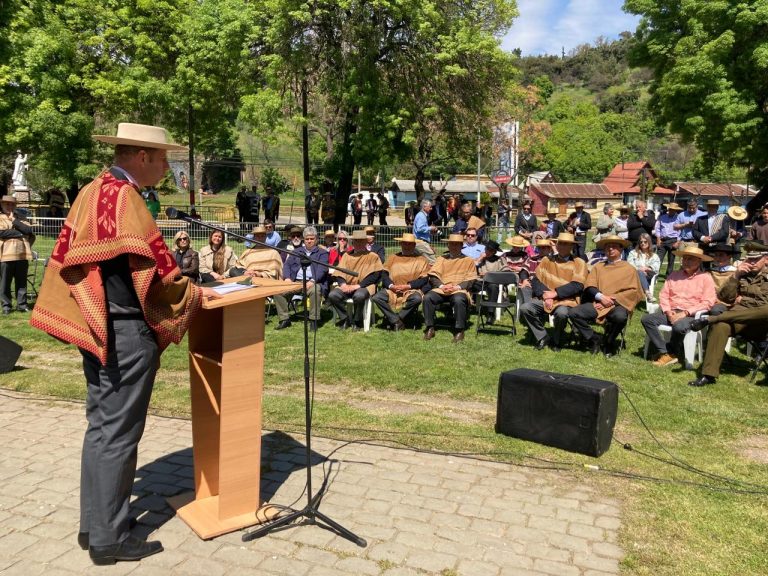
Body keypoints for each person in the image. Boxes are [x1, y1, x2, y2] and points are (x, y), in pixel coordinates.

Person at [29, 123, 219, 565]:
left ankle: (93, 526)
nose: (166, 167)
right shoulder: (126, 198)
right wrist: (194, 294)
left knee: (100, 428)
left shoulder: (91, 190)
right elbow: (153, 273)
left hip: (96, 324)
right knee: (119, 434)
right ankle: (110, 540)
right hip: (126, 329)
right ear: (141, 156)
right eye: (163, 158)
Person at [687, 242, 768, 386]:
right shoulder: (743, 274)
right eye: (750, 259)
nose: (752, 262)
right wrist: (736, 275)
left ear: (766, 259)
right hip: (739, 318)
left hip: (760, 324)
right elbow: (725, 298)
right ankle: (708, 375)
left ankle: (710, 319)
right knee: (721, 326)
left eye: (756, 259)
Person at [640, 246, 717, 367]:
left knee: (679, 326)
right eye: (684, 258)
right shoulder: (674, 275)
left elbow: (708, 302)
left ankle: (670, 353)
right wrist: (667, 311)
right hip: (671, 311)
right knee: (647, 319)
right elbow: (664, 295)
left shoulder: (705, 278)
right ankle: (666, 352)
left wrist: (685, 313)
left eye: (690, 259)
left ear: (699, 261)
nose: (686, 261)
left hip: (690, 315)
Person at [568, 235, 644, 357]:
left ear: (621, 249)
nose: (610, 249)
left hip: (618, 304)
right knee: (573, 313)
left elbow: (634, 292)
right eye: (608, 246)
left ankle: (609, 341)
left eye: (614, 246)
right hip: (598, 303)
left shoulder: (629, 269)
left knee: (620, 317)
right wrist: (601, 298)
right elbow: (590, 286)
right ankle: (594, 338)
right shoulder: (598, 267)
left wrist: (611, 301)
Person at [520, 233, 586, 351]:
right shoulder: (547, 260)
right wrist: (546, 295)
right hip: (546, 298)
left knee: (562, 313)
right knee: (525, 308)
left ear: (571, 246)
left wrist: (555, 294)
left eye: (566, 244)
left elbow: (578, 285)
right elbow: (535, 280)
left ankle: (556, 340)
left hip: (566, 300)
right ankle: (542, 336)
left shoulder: (579, 263)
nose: (562, 246)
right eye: (560, 243)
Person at [422, 233, 477, 343]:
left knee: (459, 299)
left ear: (461, 246)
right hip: (442, 289)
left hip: (459, 289)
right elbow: (433, 276)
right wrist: (442, 286)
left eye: (457, 244)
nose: (454, 246)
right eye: (452, 244)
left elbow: (471, 279)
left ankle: (459, 330)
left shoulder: (468, 260)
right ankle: (430, 327)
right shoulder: (441, 259)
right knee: (428, 298)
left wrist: (457, 287)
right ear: (448, 245)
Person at [273, 226, 329, 331]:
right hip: (296, 282)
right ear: (304, 239)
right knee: (278, 291)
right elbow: (287, 265)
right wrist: (287, 278)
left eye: (312, 239)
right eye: (307, 239)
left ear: (316, 239)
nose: (309, 241)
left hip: (314, 282)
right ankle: (284, 319)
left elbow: (322, 269)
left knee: (315, 291)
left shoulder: (322, 253)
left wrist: (313, 281)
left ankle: (313, 320)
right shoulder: (297, 252)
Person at [372, 233, 431, 330]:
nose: (407, 246)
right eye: (405, 243)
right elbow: (384, 274)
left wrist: (408, 286)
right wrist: (391, 286)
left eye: (410, 244)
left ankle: (396, 318)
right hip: (393, 289)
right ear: (401, 244)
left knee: (417, 299)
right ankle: (396, 321)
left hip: (411, 290)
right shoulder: (393, 258)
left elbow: (424, 279)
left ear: (414, 245)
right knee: (377, 297)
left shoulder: (421, 260)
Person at [328, 230, 383, 329]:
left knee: (359, 296)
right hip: (347, 285)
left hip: (364, 286)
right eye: (356, 241)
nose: (358, 243)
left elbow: (375, 276)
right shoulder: (347, 256)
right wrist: (343, 284)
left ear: (365, 242)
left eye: (361, 241)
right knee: (333, 295)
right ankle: (345, 318)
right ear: (353, 242)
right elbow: (339, 272)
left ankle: (357, 320)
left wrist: (357, 286)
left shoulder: (373, 256)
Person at [0, 195, 34, 314]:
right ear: (2, 205)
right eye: (7, 204)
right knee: (5, 282)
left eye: (12, 204)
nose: (9, 206)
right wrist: (20, 234)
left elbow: (28, 230)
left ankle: (22, 305)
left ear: (15, 206)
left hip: (22, 255)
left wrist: (14, 221)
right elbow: (2, 233)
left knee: (21, 282)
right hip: (5, 255)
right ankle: (6, 306)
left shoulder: (21, 218)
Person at [627, 232, 661, 300]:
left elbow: (656, 267)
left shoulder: (654, 256)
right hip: (635, 275)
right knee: (640, 273)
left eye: (645, 242)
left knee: (641, 273)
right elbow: (630, 265)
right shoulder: (632, 253)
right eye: (641, 242)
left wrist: (647, 269)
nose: (643, 243)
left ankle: (645, 292)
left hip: (649, 275)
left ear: (649, 242)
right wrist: (640, 270)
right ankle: (647, 292)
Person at [654, 202, 682, 274]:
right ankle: (655, 275)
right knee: (658, 259)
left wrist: (678, 242)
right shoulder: (662, 217)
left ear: (676, 210)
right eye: (670, 209)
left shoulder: (679, 218)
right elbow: (657, 228)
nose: (671, 210)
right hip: (662, 240)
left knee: (671, 260)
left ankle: (669, 276)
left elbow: (681, 231)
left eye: (673, 209)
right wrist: (658, 239)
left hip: (673, 240)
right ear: (668, 209)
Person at [412, 199, 438, 264]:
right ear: (424, 206)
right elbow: (419, 228)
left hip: (420, 242)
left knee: (422, 263)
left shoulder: (421, 215)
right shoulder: (421, 216)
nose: (431, 209)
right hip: (421, 243)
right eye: (430, 207)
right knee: (433, 262)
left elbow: (420, 229)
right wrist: (430, 228)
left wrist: (430, 231)